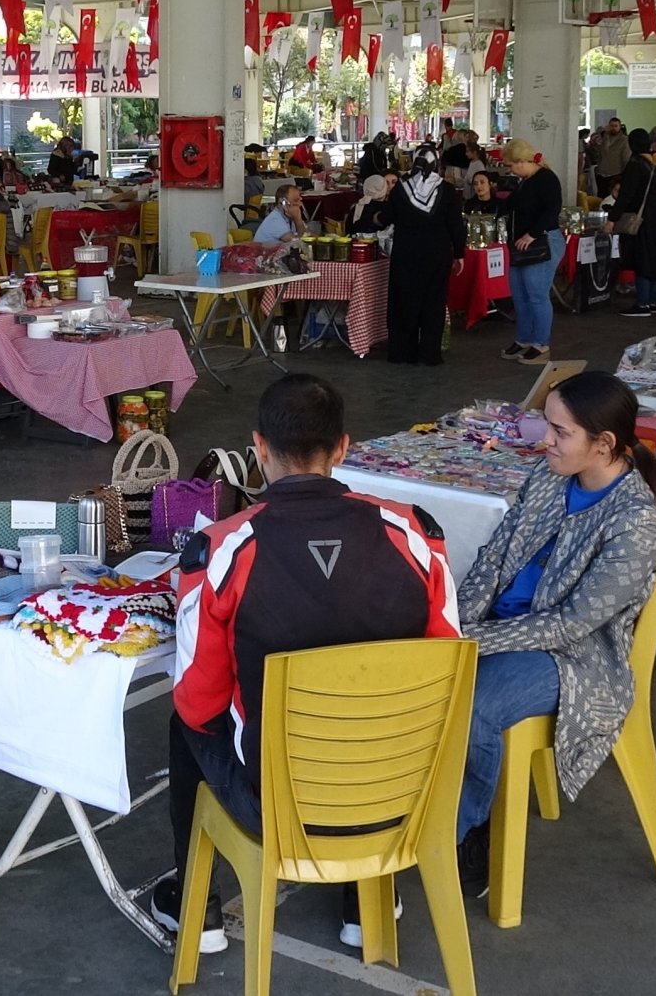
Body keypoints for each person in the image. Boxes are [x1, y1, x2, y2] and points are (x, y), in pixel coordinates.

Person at [152, 373, 459, 955]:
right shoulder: (416, 535)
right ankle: (365, 900)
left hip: (275, 803)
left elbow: (199, 701)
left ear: (258, 448)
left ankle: (201, 909)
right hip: (397, 791)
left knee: (183, 724)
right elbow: (444, 672)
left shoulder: (220, 549)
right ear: (343, 447)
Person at [449, 371, 656, 883]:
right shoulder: (549, 478)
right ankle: (409, 814)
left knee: (472, 703)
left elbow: (574, 624)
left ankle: (464, 831)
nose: (544, 440)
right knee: (408, 664)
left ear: (604, 444)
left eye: (560, 431)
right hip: (503, 631)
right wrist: (455, 622)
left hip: (575, 660)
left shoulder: (634, 520)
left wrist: (472, 641)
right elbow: (493, 560)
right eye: (545, 425)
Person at [386, 147, 463, 366]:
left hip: (405, 253)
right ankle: (430, 354)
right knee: (433, 303)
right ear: (436, 163)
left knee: (404, 301)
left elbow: (388, 217)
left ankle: (401, 353)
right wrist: (459, 252)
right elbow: (456, 225)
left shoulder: (401, 189)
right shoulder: (447, 191)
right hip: (436, 254)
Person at [499, 137, 562, 365]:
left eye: (510, 165)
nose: (510, 169)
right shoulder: (525, 180)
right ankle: (524, 339)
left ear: (521, 161)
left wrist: (532, 234)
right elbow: (512, 204)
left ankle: (541, 343)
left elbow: (552, 210)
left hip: (542, 242)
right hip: (522, 245)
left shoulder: (546, 179)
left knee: (536, 295)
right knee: (520, 295)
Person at [615, 128, 656, 319]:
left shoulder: (636, 164)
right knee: (654, 257)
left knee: (641, 258)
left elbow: (626, 194)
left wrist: (613, 217)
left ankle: (643, 303)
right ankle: (655, 301)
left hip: (640, 219)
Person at [591, 117, 630, 197]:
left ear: (620, 127)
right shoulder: (604, 138)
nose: (613, 128)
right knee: (601, 196)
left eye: (616, 126)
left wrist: (624, 174)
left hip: (616, 173)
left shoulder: (624, 140)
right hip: (602, 173)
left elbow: (625, 158)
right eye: (611, 125)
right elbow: (597, 150)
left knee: (612, 197)